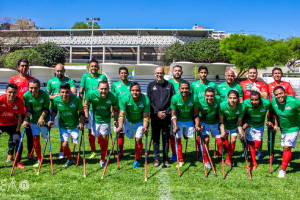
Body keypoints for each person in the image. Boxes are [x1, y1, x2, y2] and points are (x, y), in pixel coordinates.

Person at [47, 83, 84, 167]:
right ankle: (70, 159)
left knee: (75, 142)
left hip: (74, 125)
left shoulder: (76, 99)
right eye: (62, 92)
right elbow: (54, 111)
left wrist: (81, 123)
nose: (64, 95)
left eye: (67, 92)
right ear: (59, 92)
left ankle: (72, 157)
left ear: (70, 92)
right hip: (63, 125)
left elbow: (81, 112)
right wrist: (51, 120)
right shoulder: (56, 100)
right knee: (64, 145)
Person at [46, 63, 77, 159]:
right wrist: (53, 97)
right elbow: (47, 95)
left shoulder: (69, 81)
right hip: (55, 108)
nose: (59, 73)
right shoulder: (51, 81)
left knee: (64, 129)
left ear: (64, 71)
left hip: (67, 108)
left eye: (61, 71)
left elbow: (74, 93)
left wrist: (61, 95)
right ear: (54, 71)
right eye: (57, 71)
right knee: (57, 130)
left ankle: (62, 150)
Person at [84, 81, 118, 167]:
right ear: (98, 89)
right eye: (101, 89)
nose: (103, 91)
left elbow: (116, 109)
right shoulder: (91, 94)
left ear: (108, 89)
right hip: (95, 119)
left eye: (105, 89)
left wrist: (115, 119)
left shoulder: (113, 96)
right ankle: (98, 150)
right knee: (96, 136)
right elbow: (86, 105)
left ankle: (102, 158)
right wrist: (86, 117)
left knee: (103, 137)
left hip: (105, 120)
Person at [116, 82, 150, 168]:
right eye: (133, 90)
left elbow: (146, 116)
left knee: (138, 139)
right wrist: (120, 126)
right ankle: (121, 153)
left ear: (140, 91)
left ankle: (137, 159)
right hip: (128, 120)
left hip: (139, 121)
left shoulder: (145, 99)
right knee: (121, 134)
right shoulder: (125, 98)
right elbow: (122, 114)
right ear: (130, 91)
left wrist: (145, 127)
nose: (135, 92)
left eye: (137, 90)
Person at [79, 59, 108, 159]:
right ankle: (93, 151)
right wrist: (80, 101)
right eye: (92, 66)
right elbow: (81, 90)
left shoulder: (102, 77)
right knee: (90, 130)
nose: (93, 68)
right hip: (89, 108)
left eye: (95, 66)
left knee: (102, 131)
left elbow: (106, 90)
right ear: (89, 67)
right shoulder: (85, 76)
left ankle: (103, 150)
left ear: (98, 67)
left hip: (100, 108)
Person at [147, 67, 175, 167]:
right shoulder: (150, 85)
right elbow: (149, 102)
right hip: (155, 117)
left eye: (161, 73)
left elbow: (173, 101)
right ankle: (156, 159)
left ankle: (166, 159)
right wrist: (157, 112)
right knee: (155, 138)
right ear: (155, 74)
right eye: (157, 73)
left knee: (166, 138)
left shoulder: (170, 85)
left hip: (166, 117)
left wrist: (166, 112)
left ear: (164, 73)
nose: (159, 75)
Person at [171, 80, 202, 168]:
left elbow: (196, 114)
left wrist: (196, 125)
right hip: (179, 120)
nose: (184, 90)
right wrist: (175, 126)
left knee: (187, 137)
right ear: (179, 89)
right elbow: (173, 114)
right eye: (182, 88)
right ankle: (180, 159)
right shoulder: (174, 98)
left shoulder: (194, 97)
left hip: (189, 120)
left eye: (187, 88)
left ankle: (200, 155)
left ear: (189, 89)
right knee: (178, 139)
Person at [266, 67, 295, 162]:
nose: (277, 75)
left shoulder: (286, 84)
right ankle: (271, 155)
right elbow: (266, 97)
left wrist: (281, 95)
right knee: (271, 135)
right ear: (272, 75)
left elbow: (292, 96)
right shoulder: (269, 85)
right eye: (275, 73)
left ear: (281, 74)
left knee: (285, 135)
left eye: (279, 73)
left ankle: (285, 156)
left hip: (283, 113)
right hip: (272, 112)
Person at [240, 66, 268, 160]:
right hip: (247, 111)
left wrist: (255, 89)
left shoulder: (261, 84)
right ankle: (245, 152)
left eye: (254, 73)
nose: (252, 74)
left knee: (258, 134)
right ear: (248, 73)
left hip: (258, 110)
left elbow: (265, 95)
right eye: (251, 73)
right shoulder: (242, 83)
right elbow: (240, 96)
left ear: (257, 73)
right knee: (246, 133)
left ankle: (259, 153)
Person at [8, 58, 34, 161]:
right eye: (22, 66)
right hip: (16, 110)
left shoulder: (31, 79)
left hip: (28, 110)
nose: (24, 67)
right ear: (18, 67)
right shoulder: (13, 79)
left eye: (26, 66)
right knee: (14, 132)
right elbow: (10, 94)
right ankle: (11, 154)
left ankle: (30, 153)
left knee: (29, 133)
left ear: (28, 67)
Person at [272, 86, 300, 178]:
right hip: (283, 128)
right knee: (285, 147)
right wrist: (276, 124)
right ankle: (286, 162)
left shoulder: (295, 102)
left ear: (285, 93)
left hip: (293, 128)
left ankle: (283, 170)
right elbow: (275, 113)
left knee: (287, 147)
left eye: (280, 93)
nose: (279, 96)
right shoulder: (273, 101)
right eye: (276, 95)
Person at [242, 91, 274, 169]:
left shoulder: (266, 103)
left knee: (258, 144)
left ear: (260, 99)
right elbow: (242, 113)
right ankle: (253, 162)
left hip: (260, 125)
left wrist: (269, 120)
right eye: (252, 100)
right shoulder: (245, 103)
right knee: (251, 143)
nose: (254, 102)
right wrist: (244, 123)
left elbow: (271, 110)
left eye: (256, 100)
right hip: (250, 125)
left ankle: (256, 155)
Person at [23, 79, 50, 167]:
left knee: (45, 137)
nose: (33, 90)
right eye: (31, 88)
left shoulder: (45, 95)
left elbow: (46, 108)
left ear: (39, 87)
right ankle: (39, 159)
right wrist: (26, 119)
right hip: (34, 120)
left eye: (35, 88)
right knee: (36, 139)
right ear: (28, 87)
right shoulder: (26, 96)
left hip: (44, 120)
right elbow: (28, 109)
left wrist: (42, 118)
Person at [0, 84, 25, 169]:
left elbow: (20, 116)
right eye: (10, 92)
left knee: (18, 141)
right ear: (6, 92)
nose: (12, 94)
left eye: (14, 92)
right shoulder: (1, 99)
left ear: (17, 93)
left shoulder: (19, 101)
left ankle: (18, 162)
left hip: (12, 124)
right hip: (1, 124)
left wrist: (18, 128)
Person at [219, 90, 245, 167]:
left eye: (234, 98)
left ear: (237, 99)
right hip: (225, 124)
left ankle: (228, 159)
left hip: (234, 125)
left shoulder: (241, 107)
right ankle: (223, 154)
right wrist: (222, 132)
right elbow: (221, 121)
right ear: (227, 99)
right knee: (225, 140)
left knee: (233, 140)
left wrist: (240, 133)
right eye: (230, 98)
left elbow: (239, 123)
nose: (232, 100)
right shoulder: (222, 105)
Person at [111, 66, 132, 160]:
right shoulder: (115, 85)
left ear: (128, 74)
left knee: (133, 133)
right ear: (119, 74)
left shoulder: (131, 85)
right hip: (119, 113)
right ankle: (121, 152)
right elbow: (112, 99)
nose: (123, 74)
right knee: (120, 132)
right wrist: (111, 111)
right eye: (122, 73)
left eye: (125, 73)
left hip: (130, 113)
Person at [198, 87, 221, 168]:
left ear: (214, 96)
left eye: (211, 96)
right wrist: (198, 125)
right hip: (204, 122)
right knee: (206, 139)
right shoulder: (200, 102)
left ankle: (221, 156)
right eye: (207, 96)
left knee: (220, 141)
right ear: (204, 95)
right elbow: (196, 114)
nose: (209, 98)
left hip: (215, 122)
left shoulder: (219, 100)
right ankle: (206, 160)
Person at [168, 65, 185, 161]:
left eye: (179, 70)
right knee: (173, 134)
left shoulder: (185, 83)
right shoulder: (168, 83)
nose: (177, 72)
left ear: (181, 72)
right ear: (172, 72)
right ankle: (174, 153)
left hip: (183, 113)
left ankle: (180, 152)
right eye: (175, 71)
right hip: (171, 112)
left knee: (182, 134)